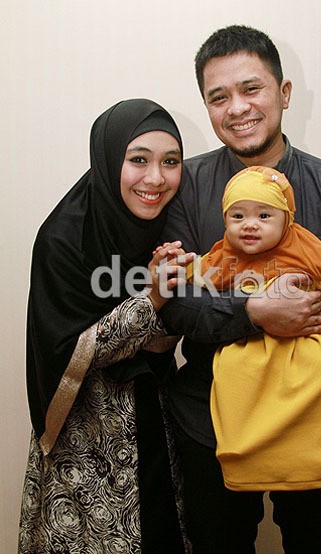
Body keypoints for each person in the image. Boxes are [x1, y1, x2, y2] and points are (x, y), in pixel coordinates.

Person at [159, 25, 321, 554]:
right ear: (207, 106)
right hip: (208, 417)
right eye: (219, 97)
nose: (237, 108)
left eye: (251, 88)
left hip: (313, 417)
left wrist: (310, 372)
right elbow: (172, 302)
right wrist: (254, 312)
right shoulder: (187, 188)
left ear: (284, 93)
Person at [18, 99, 194, 554]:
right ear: (109, 158)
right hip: (88, 437)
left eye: (170, 162)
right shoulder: (63, 239)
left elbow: (181, 324)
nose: (155, 178)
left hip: (157, 420)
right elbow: (69, 351)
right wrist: (150, 299)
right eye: (138, 159)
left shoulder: (172, 225)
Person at [189, 165, 321, 494]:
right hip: (248, 351)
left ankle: (318, 460)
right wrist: (177, 265)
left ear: (287, 220)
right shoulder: (225, 257)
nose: (250, 224)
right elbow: (196, 275)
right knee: (237, 389)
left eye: (264, 215)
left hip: (306, 352)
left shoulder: (308, 253)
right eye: (237, 216)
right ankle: (246, 463)